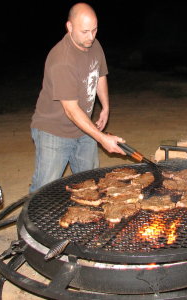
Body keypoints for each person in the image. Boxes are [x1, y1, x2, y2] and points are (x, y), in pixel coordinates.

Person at [29, 2, 125, 193]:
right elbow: (71, 111)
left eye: (94, 30)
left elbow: (100, 75)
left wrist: (105, 107)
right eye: (85, 32)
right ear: (70, 27)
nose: (91, 37)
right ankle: (26, 224)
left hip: (83, 128)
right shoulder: (62, 60)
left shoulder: (94, 44)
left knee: (90, 186)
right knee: (43, 191)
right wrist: (102, 138)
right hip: (53, 131)